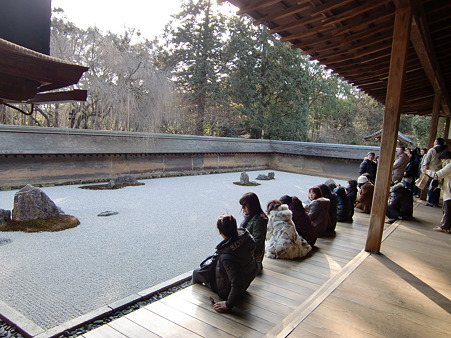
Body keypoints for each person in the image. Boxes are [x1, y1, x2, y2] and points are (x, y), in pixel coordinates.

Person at [192, 214, 258, 312]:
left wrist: (228, 304)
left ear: (220, 232)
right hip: (248, 277)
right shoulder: (247, 238)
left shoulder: (227, 256)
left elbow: (237, 282)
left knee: (196, 273)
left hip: (228, 290)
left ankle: (195, 301)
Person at [239, 192, 268, 274]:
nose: (243, 208)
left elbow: (257, 243)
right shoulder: (249, 217)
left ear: (252, 206)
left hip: (253, 258)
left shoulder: (260, 220)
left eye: (245, 206)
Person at [423, 150, 451, 233]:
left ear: (445, 158)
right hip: (448, 190)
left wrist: (426, 171)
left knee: (448, 210)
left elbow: (437, 175)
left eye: (442, 160)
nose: (442, 162)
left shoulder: (449, 165)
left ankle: (444, 227)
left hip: (449, 191)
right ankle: (448, 227)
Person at [421, 138, 447, 207]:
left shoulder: (432, 150)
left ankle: (430, 202)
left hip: (431, 171)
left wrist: (424, 169)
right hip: (441, 171)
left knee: (431, 186)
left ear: (436, 142)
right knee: (437, 187)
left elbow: (426, 160)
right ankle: (435, 201)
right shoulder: (444, 150)